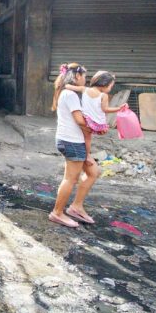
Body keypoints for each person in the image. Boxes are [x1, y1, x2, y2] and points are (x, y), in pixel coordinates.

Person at [49, 62, 100, 228]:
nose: (86, 79)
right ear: (77, 76)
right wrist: (96, 126)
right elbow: (79, 120)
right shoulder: (69, 95)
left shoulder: (67, 93)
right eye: (84, 76)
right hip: (71, 141)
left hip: (72, 140)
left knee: (93, 171)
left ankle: (76, 207)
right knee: (70, 179)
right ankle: (57, 212)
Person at [66, 71, 127, 135]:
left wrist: (65, 79)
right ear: (105, 84)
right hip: (97, 124)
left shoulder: (84, 89)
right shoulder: (104, 95)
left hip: (85, 120)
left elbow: (68, 86)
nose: (110, 89)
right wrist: (119, 108)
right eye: (111, 87)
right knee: (91, 136)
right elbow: (105, 109)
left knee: (86, 137)